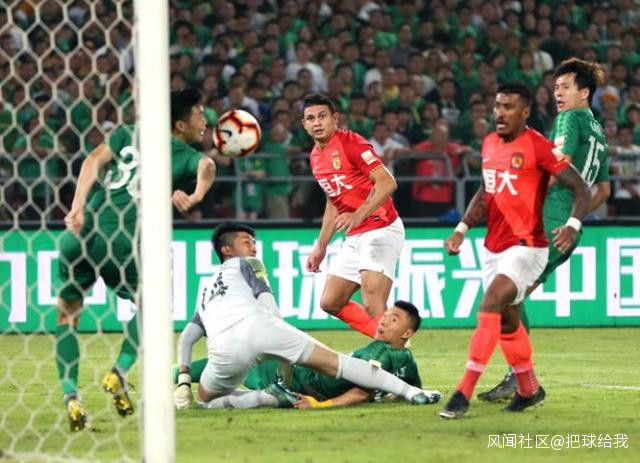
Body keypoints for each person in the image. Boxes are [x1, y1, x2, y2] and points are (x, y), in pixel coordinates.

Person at [56, 88, 216, 431]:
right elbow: (207, 165)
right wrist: (196, 195)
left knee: (67, 316)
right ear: (180, 124)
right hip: (123, 241)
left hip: (81, 233)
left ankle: (70, 396)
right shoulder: (182, 153)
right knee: (154, 305)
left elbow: (92, 161)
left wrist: (77, 207)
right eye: (199, 114)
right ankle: (119, 371)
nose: (205, 121)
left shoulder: (128, 133)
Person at [439, 80, 591, 419]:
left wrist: (572, 224)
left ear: (525, 112)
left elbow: (581, 188)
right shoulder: (489, 144)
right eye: (497, 106)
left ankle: (462, 393)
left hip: (528, 246)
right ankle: (529, 389)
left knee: (491, 304)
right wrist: (461, 228)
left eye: (508, 107)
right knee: (508, 321)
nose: (500, 113)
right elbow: (485, 191)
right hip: (494, 246)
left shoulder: (539, 147)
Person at [172, 222, 436, 410]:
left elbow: (187, 338)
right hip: (263, 327)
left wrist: (184, 381)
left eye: (254, 242)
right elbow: (270, 308)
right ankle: (412, 392)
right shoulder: (250, 263)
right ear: (227, 250)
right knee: (339, 364)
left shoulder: (205, 292)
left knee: (206, 399)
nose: (253, 248)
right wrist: (283, 353)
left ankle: (266, 398)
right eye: (246, 242)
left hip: (224, 348)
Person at [478, 58, 611, 402]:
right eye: (556, 88)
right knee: (514, 297)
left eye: (566, 87)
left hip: (544, 223)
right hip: (565, 229)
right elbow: (603, 191)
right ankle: (521, 378)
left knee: (504, 297)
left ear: (585, 92)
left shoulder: (570, 119)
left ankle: (521, 378)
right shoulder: (599, 132)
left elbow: (555, 167)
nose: (558, 94)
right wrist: (573, 220)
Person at [175, 299, 439, 410]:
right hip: (298, 376)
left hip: (294, 378)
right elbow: (412, 389)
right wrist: (397, 395)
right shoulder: (404, 357)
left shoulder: (379, 351)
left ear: (407, 333)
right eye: (386, 315)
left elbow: (363, 392)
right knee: (231, 366)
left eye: (393, 319)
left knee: (230, 365)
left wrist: (321, 405)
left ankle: (178, 377)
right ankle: (179, 379)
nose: (383, 321)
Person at [301, 93, 404, 338]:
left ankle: (395, 351)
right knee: (331, 301)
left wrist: (358, 214)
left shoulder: (351, 144)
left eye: (322, 116)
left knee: (372, 301)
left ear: (335, 118)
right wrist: (321, 246)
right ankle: (389, 340)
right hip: (356, 234)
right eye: (311, 118)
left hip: (381, 228)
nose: (317, 122)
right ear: (304, 124)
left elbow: (387, 182)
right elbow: (332, 201)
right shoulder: (315, 157)